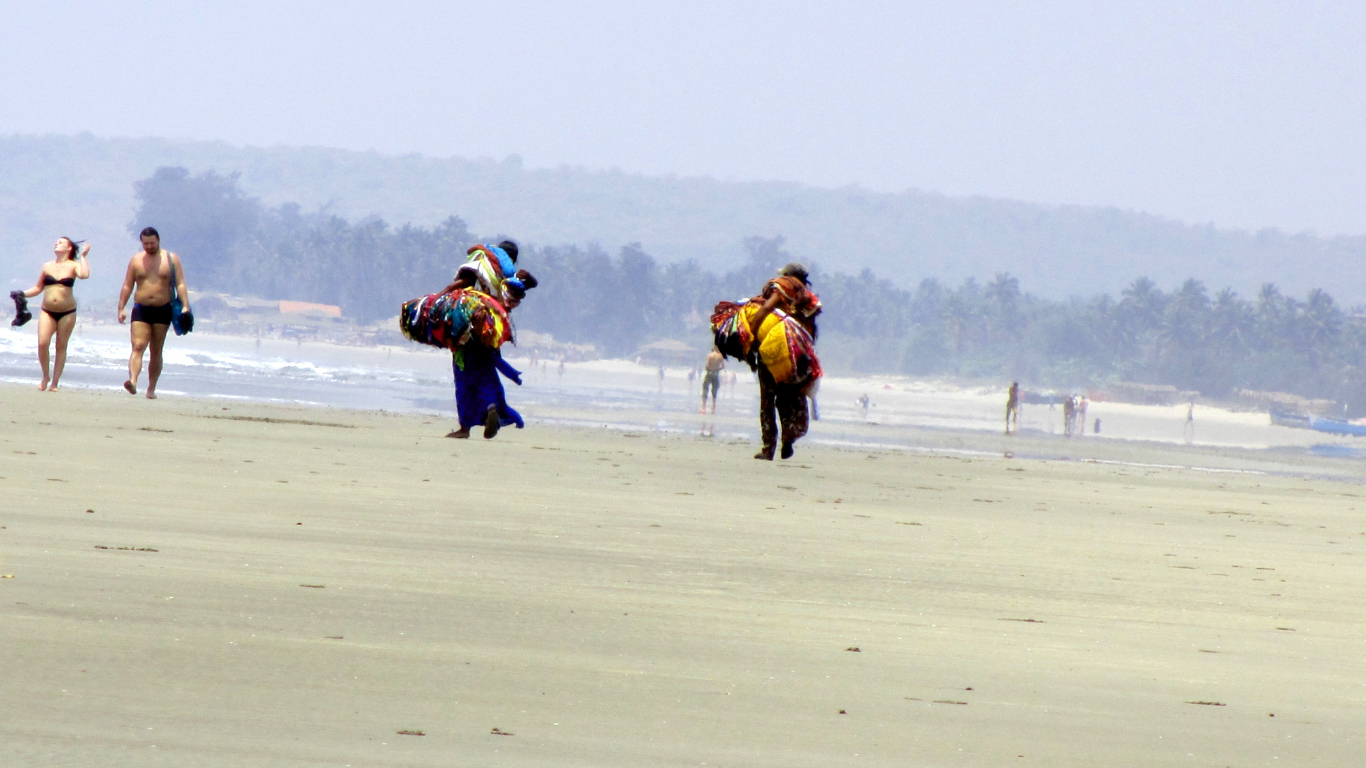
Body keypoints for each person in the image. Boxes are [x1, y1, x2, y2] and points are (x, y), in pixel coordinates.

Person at [441, 242, 538, 439]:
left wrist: (439, 298)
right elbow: (531, 283)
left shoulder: (482, 267)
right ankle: (492, 406)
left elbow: (460, 284)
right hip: (492, 330)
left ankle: (465, 428)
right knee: (486, 373)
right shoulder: (512, 278)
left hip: (471, 327)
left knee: (463, 377)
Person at [742, 263, 822, 460]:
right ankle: (788, 440)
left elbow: (767, 308)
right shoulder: (806, 297)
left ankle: (768, 448)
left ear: (787, 275)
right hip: (797, 354)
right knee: (790, 398)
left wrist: (750, 335)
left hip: (774, 349)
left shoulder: (782, 286)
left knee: (768, 400)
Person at [116, 227, 191, 399]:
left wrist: (185, 305)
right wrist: (121, 307)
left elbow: (180, 283)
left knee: (156, 351)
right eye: (145, 243)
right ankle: (133, 381)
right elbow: (128, 285)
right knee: (138, 345)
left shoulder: (171, 259)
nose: (149, 246)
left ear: (158, 240)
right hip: (141, 308)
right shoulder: (136, 260)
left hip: (163, 309)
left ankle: (151, 388)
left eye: (152, 243)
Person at [19, 237, 90, 391]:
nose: (56, 243)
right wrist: (22, 294)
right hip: (47, 310)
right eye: (56, 242)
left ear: (69, 248)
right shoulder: (47, 266)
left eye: (61, 242)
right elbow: (38, 288)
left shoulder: (74, 266)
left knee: (61, 346)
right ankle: (45, 375)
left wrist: (83, 257)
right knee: (42, 343)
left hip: (67, 312)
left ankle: (55, 382)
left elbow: (84, 275)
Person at [700, 346, 725, 414]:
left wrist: (708, 368)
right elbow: (723, 366)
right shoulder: (720, 356)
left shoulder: (710, 355)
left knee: (705, 389)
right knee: (714, 391)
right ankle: (713, 408)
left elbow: (707, 365)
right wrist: (717, 369)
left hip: (709, 373)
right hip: (716, 374)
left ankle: (703, 408)